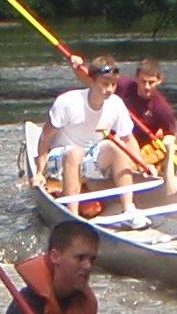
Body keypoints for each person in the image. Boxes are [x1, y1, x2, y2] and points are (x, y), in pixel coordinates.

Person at [43, 59, 141, 208]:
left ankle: (129, 208)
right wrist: (39, 171)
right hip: (60, 160)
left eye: (113, 85)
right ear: (91, 81)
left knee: (115, 146)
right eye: (104, 84)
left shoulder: (116, 103)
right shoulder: (67, 102)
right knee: (75, 153)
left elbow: (127, 138)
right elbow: (45, 137)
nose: (109, 89)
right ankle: (73, 213)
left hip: (89, 159)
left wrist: (140, 164)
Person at [116, 60, 177, 202]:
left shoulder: (162, 108)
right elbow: (93, 80)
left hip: (140, 149)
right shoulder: (124, 86)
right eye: (143, 82)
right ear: (136, 78)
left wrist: (167, 140)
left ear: (159, 81)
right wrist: (76, 67)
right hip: (116, 139)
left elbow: (171, 135)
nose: (146, 87)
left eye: (151, 82)